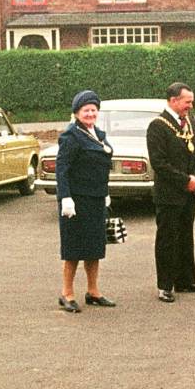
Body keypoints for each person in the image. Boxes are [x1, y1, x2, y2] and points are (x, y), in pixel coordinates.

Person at [146, 82, 195, 303]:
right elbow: (159, 163)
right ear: (174, 100)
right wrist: (185, 181)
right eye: (187, 102)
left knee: (185, 236)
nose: (190, 106)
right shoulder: (158, 126)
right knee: (167, 239)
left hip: (189, 192)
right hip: (169, 194)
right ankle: (165, 285)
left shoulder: (190, 121)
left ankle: (185, 280)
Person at [55, 90, 115, 314]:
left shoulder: (98, 133)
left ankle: (93, 291)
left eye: (93, 110)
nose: (90, 113)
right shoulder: (71, 136)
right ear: (77, 113)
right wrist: (65, 198)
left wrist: (105, 192)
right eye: (86, 110)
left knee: (94, 248)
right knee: (73, 249)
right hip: (76, 201)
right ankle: (67, 294)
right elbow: (62, 169)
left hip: (96, 198)